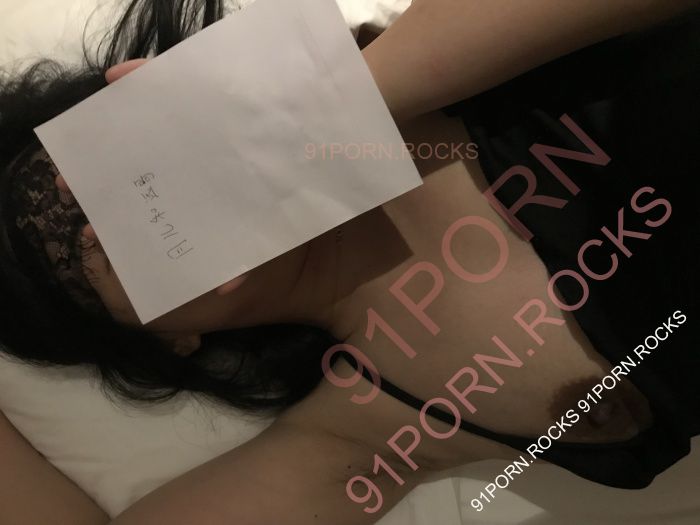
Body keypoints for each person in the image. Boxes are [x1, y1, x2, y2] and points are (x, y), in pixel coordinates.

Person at [0, 1, 698, 523]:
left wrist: (326, 108)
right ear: (170, 338)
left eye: (130, 166)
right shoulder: (371, 421)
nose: (158, 201)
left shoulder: (436, 60)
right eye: (118, 251)